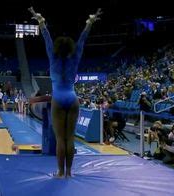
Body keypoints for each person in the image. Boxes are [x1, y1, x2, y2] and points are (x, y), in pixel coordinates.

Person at [29, 7, 101, 178]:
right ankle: (70, 172)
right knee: (71, 138)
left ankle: (60, 172)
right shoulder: (75, 58)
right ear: (70, 48)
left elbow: (47, 39)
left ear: (56, 48)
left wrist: (41, 22)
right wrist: (89, 23)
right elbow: (82, 41)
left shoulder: (52, 58)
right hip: (72, 97)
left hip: (58, 99)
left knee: (61, 139)